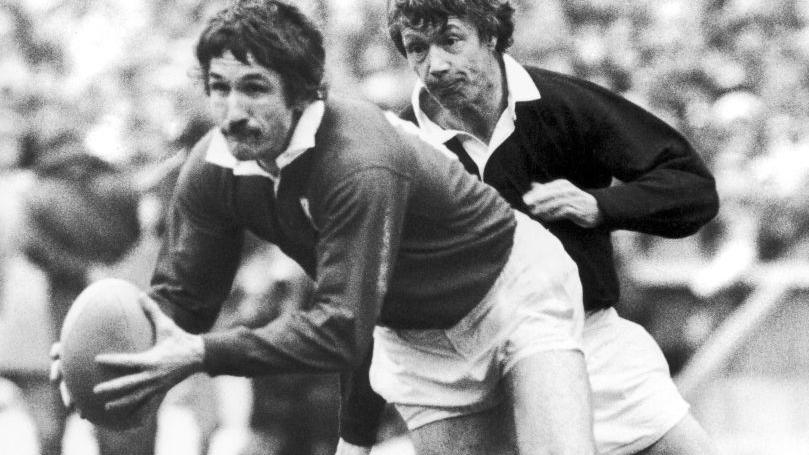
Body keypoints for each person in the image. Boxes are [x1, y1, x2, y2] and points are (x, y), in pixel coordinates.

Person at [51, 1, 595, 454]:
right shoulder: (214, 167)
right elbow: (183, 300)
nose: (232, 111)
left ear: (305, 91)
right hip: (413, 330)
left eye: (255, 88)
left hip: (511, 288)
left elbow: (340, 328)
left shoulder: (356, 161)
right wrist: (116, 352)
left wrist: (202, 354)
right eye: (219, 87)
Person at [336, 1, 721, 455]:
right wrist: (354, 439)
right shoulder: (399, 153)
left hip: (589, 345)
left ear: (491, 35)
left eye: (451, 41)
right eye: (417, 48)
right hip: (467, 374)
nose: (435, 64)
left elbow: (691, 188)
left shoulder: (563, 105)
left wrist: (600, 205)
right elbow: (372, 296)